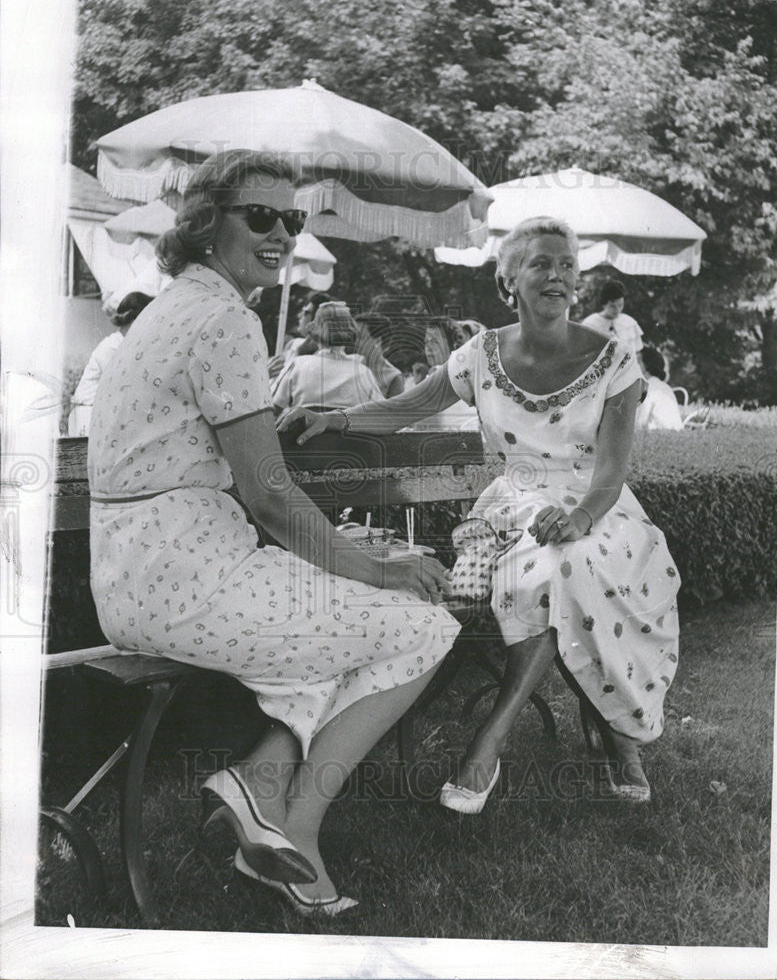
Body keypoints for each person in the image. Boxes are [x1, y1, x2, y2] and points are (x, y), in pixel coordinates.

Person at [87, 149, 458, 914]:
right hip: (189, 580)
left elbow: (219, 456)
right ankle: (299, 829)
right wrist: (379, 567)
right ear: (203, 221)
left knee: (335, 625)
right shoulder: (224, 316)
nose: (282, 232)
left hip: (141, 576)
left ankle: (256, 782)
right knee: (423, 627)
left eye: (291, 219)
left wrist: (283, 432)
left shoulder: (176, 306)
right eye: (261, 216)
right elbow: (270, 497)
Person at [279, 216, 680, 811]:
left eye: (567, 265)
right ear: (507, 279)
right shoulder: (480, 356)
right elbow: (404, 408)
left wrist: (579, 519)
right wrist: (337, 418)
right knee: (547, 571)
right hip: (515, 509)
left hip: (601, 512)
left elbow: (613, 471)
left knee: (568, 561)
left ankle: (492, 743)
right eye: (541, 263)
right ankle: (615, 741)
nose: (558, 275)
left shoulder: (615, 359)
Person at [270, 302, 385, 411]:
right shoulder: (362, 372)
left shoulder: (298, 364)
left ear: (315, 329)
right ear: (351, 328)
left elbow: (273, 406)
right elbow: (380, 412)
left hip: (301, 431)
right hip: (343, 430)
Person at [68, 290, 152, 436]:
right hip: (87, 414)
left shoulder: (125, 344)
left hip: (98, 414)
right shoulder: (112, 347)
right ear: (134, 320)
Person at [582, 280, 644, 357]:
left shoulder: (629, 323)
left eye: (620, 305)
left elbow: (637, 354)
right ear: (604, 303)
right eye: (612, 306)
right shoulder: (590, 323)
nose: (617, 310)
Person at [636, 347, 684, 431]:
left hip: (657, 437)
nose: (634, 365)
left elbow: (639, 425)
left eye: (638, 361)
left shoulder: (647, 388)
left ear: (646, 366)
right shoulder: (665, 387)